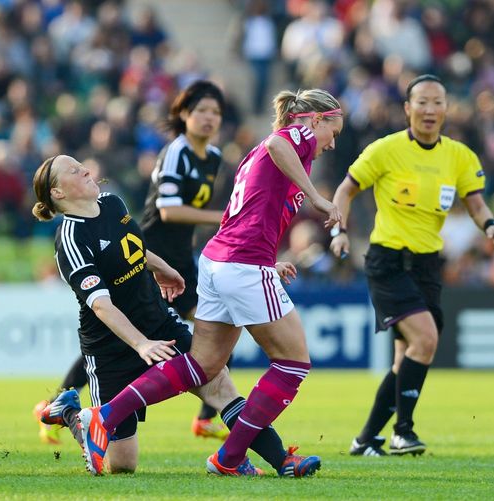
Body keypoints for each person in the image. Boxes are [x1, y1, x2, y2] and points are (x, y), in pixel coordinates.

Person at [76, 88, 344, 476]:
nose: (332, 143)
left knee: (203, 364)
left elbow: (251, 212)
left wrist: (270, 263)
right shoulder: (296, 137)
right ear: (316, 120)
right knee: (293, 363)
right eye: (332, 132)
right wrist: (316, 197)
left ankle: (104, 415)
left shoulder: (265, 155)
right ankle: (229, 458)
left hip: (222, 261)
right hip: (241, 265)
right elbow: (276, 143)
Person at [31, 154, 298, 475]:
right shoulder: (71, 239)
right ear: (58, 193)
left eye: (82, 165)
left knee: (217, 385)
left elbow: (134, 247)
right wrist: (141, 344)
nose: (86, 169)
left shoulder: (113, 203)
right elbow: (100, 305)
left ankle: (281, 459)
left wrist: (165, 268)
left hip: (159, 322)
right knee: (123, 464)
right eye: (74, 171)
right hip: (111, 348)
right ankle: (72, 415)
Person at [329, 74, 494, 456]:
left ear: (446, 108)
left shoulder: (459, 156)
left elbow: (475, 203)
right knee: (425, 340)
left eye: (437, 102)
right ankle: (403, 432)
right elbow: (346, 189)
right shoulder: (385, 150)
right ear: (407, 108)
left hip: (428, 265)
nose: (430, 109)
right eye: (421, 102)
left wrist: (490, 224)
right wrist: (338, 231)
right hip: (388, 261)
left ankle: (364, 440)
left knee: (403, 361)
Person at [140, 80, 230, 441]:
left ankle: (207, 417)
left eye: (216, 112)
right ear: (184, 114)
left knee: (219, 331)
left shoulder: (216, 157)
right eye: (202, 110)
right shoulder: (176, 151)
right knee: (126, 337)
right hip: (151, 259)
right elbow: (168, 211)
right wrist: (222, 217)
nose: (210, 118)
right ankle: (56, 401)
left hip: (181, 260)